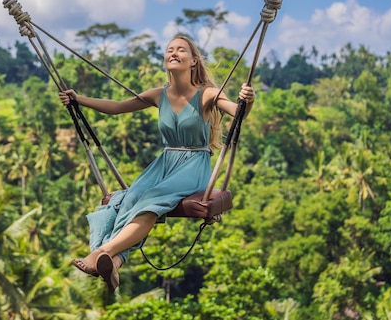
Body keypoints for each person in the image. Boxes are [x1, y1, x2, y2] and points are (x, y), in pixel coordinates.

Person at [58, 35, 255, 292]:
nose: (173, 53)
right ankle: (115, 261)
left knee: (151, 204)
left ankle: (100, 253)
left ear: (193, 60)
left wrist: (246, 102)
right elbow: (117, 107)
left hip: (193, 165)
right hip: (163, 165)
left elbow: (236, 113)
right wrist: (78, 99)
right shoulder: (158, 95)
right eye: (170, 50)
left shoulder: (207, 94)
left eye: (181, 50)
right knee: (128, 201)